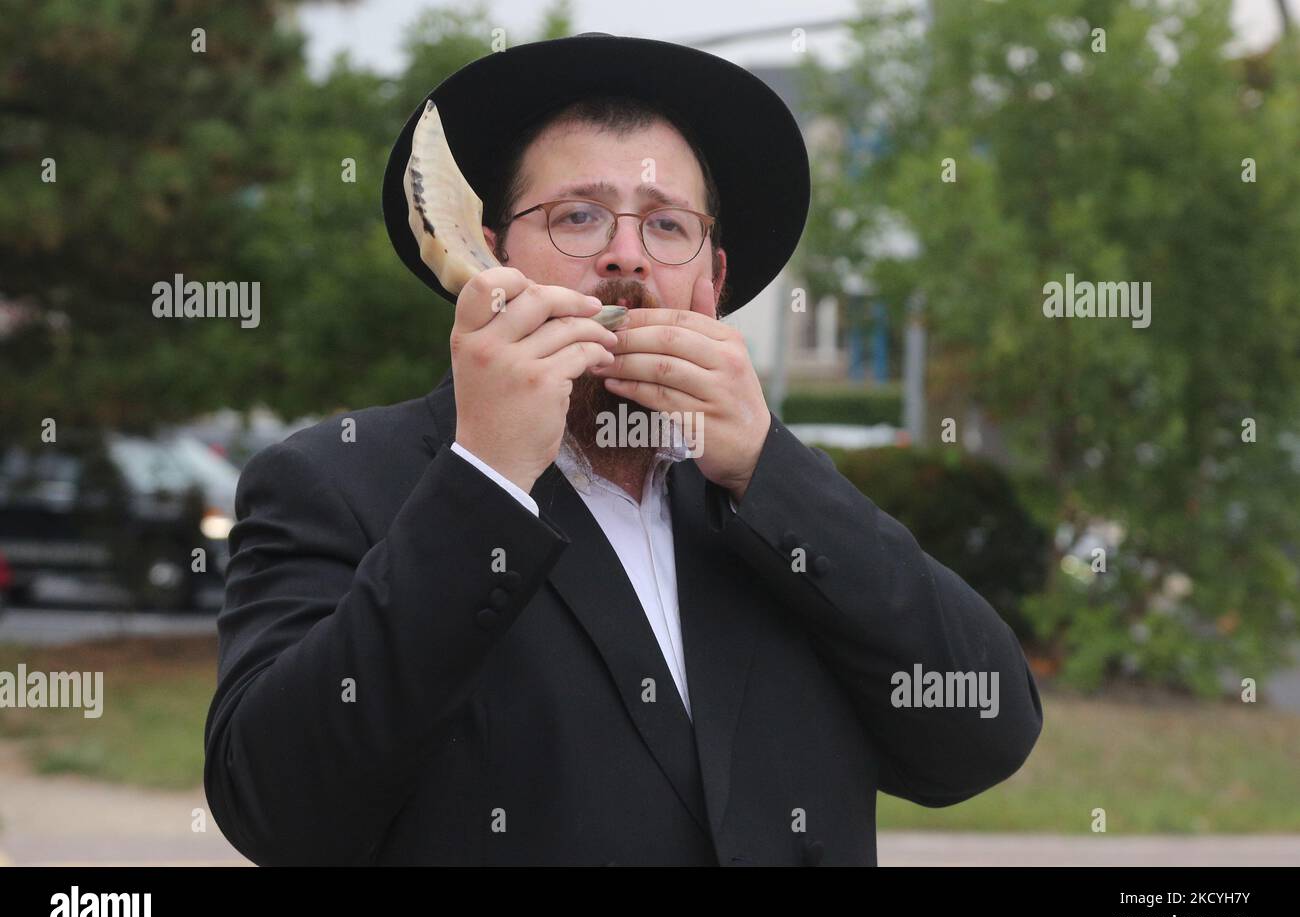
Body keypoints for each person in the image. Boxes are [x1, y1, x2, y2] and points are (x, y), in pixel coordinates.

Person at [203, 32, 1043, 866]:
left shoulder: (777, 509)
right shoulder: (338, 482)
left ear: (710, 284)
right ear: (488, 256)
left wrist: (770, 470)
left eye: (666, 225)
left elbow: (985, 733)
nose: (625, 254)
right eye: (577, 216)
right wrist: (486, 478)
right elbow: (277, 807)